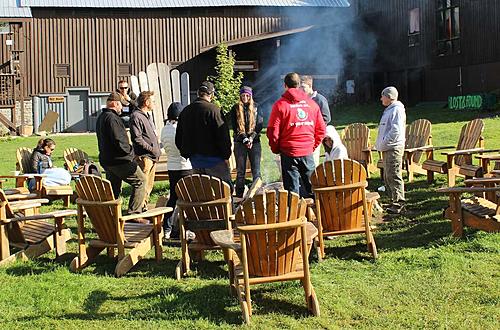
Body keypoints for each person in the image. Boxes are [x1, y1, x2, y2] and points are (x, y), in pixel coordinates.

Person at [267, 72, 326, 198]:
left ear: (285, 86)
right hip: (307, 153)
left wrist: (276, 149)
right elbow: (321, 130)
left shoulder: (280, 105)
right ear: (299, 85)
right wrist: (311, 147)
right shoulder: (312, 104)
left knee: (292, 192)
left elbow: (272, 131)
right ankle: (318, 215)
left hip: (288, 153)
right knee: (312, 187)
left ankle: (296, 215)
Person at [96, 92, 146, 215]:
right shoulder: (113, 119)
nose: (122, 109)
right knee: (140, 181)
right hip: (120, 161)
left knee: (114, 188)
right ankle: (134, 213)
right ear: (115, 104)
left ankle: (111, 213)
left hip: (108, 161)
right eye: (120, 106)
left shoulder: (101, 117)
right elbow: (120, 141)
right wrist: (131, 154)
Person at [175, 81, 232, 188]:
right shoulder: (214, 110)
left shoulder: (185, 111)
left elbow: (179, 138)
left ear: (198, 93)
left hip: (195, 161)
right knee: (225, 191)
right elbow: (223, 136)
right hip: (215, 161)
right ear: (212, 94)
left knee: (202, 194)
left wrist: (186, 153)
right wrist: (226, 155)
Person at [160, 102, 193, 239]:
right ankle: (188, 227)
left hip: (171, 166)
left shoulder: (164, 129)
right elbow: (185, 146)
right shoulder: (179, 129)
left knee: (173, 197)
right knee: (188, 199)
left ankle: (166, 227)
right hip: (184, 166)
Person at [375, 86, 406, 214]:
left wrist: (384, 142)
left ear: (389, 97)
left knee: (393, 174)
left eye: (383, 96)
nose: (381, 98)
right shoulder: (389, 110)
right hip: (387, 147)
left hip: (393, 147)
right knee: (388, 175)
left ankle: (399, 203)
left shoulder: (397, 110)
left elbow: (395, 131)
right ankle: (393, 199)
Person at [229, 86, 263, 197]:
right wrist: (244, 139)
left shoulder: (257, 107)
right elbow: (235, 127)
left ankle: (257, 194)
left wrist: (252, 138)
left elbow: (259, 126)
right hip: (240, 142)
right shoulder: (235, 108)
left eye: (247, 95)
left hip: (255, 142)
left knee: (256, 171)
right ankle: (239, 196)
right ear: (240, 96)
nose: (245, 97)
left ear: (251, 96)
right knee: (240, 171)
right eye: (243, 95)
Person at [130, 91, 161, 208]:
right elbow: (137, 139)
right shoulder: (136, 116)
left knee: (148, 186)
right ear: (147, 102)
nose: (154, 104)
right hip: (144, 157)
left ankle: (144, 207)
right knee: (142, 185)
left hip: (152, 157)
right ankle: (137, 210)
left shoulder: (147, 116)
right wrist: (151, 149)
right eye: (153, 101)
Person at [300, 75, 332, 166]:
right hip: (304, 134)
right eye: (299, 87)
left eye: (303, 87)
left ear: (310, 86)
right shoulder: (301, 100)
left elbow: (326, 118)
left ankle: (314, 178)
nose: (301, 90)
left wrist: (315, 128)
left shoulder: (320, 99)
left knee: (313, 159)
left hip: (315, 134)